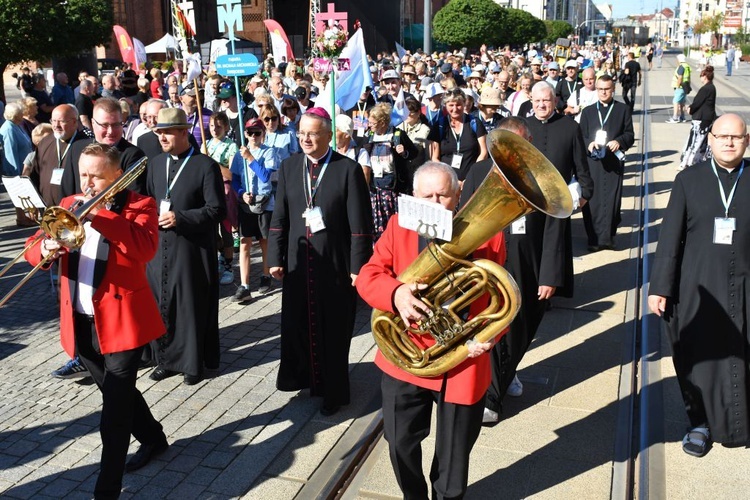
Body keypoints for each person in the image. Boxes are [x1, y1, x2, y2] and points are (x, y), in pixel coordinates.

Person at [25, 142, 168, 498]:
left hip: (122, 323)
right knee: (117, 392)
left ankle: (107, 489)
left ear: (116, 176)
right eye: (84, 174)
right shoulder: (69, 204)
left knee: (114, 412)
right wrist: (44, 249)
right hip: (82, 321)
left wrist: (99, 215)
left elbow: (144, 248)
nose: (88, 183)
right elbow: (32, 246)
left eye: (97, 176)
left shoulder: (139, 205)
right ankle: (154, 438)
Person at [356, 161, 503, 499]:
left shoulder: (489, 231)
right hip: (405, 354)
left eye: (443, 196)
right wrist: (396, 293)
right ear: (412, 196)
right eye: (427, 196)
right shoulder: (398, 225)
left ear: (459, 193)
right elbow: (369, 275)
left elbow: (498, 294)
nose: (435, 204)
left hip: (462, 359)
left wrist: (489, 334)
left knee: (453, 459)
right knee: (399, 442)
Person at [477, 83, 592, 423]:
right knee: (497, 330)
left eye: (547, 100)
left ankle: (505, 375)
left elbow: (558, 225)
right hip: (492, 260)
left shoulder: (566, 135)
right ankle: (492, 398)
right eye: (537, 100)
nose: (542, 105)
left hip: (532, 257)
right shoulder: (478, 169)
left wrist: (550, 275)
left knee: (524, 325)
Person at [648, 113, 750, 457]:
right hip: (697, 286)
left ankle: (741, 422)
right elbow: (669, 238)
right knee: (697, 356)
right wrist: (660, 286)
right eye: (722, 136)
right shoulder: (688, 180)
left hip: (746, 286)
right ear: (710, 139)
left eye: (736, 137)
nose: (729, 142)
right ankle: (700, 423)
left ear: (747, 141)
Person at [267, 108, 373, 416]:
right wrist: (275, 256)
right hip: (300, 265)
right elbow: (280, 217)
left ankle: (334, 391)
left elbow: (360, 225)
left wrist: (358, 266)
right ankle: (306, 379)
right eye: (302, 133)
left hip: (335, 266)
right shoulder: (289, 167)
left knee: (334, 330)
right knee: (299, 325)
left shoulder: (347, 169)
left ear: (329, 135)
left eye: (313, 133)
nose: (306, 139)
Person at [145, 108, 227, 385]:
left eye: (167, 132)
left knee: (190, 306)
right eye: (159, 132)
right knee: (161, 305)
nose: (162, 138)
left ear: (183, 132)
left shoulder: (205, 166)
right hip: (159, 250)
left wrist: (180, 217)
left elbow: (217, 210)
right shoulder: (156, 164)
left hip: (192, 249)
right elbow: (148, 201)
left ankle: (193, 364)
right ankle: (165, 361)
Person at [579, 74, 635, 251]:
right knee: (593, 202)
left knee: (612, 201)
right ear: (596, 89)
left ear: (613, 89)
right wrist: (589, 143)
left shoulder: (623, 110)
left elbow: (630, 135)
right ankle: (593, 239)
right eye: (600, 89)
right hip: (593, 163)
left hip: (613, 163)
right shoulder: (587, 111)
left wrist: (619, 141)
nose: (604, 92)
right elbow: (581, 135)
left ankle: (609, 238)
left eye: (607, 89)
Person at [229, 118, 278, 301]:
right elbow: (234, 179)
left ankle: (266, 275)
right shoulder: (238, 155)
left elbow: (265, 177)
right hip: (247, 203)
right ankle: (244, 285)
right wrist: (241, 193)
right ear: (245, 134)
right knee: (244, 242)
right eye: (250, 133)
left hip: (264, 203)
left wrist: (250, 158)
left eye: (257, 132)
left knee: (264, 241)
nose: (254, 136)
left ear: (263, 134)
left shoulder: (269, 152)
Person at [60, 98, 147, 198]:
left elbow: (133, 198)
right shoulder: (77, 148)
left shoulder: (133, 155)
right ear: (93, 123)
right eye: (104, 125)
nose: (110, 131)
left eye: (116, 125)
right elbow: (66, 191)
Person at [363, 102, 418, 240]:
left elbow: (414, 153)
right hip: (375, 188)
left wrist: (404, 152)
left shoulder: (398, 134)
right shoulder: (369, 135)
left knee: (395, 222)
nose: (370, 125)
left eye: (373, 123)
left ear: (382, 122)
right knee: (378, 225)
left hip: (394, 187)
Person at [204, 112, 239, 286]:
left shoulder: (231, 146)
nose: (215, 130)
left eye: (218, 126)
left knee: (226, 230)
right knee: (211, 229)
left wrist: (212, 164)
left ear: (225, 127)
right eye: (212, 126)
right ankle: (219, 257)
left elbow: (231, 173)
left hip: (224, 190)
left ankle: (228, 265)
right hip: (208, 191)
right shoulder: (207, 144)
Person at [427, 89, 488, 182]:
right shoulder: (439, 125)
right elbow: (434, 158)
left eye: (458, 105)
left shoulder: (474, 123)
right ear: (445, 106)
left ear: (464, 104)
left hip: (472, 180)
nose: (455, 109)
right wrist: (451, 179)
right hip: (446, 180)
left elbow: (483, 152)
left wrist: (471, 177)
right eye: (451, 105)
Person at [680, 65, 717, 170]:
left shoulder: (705, 89)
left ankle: (688, 162)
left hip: (701, 119)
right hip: (707, 117)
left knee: (695, 141)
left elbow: (697, 103)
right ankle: (696, 160)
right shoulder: (712, 87)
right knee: (701, 142)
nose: (700, 78)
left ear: (705, 76)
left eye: (701, 76)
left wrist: (690, 109)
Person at [667, 54, 692, 123]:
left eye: (677, 59)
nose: (676, 61)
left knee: (675, 101)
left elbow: (680, 77)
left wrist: (677, 86)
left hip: (680, 87)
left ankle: (675, 117)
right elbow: (689, 77)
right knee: (682, 102)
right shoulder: (687, 66)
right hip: (685, 87)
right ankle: (682, 117)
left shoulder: (681, 67)